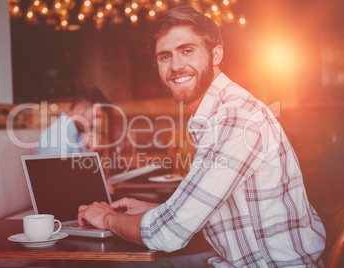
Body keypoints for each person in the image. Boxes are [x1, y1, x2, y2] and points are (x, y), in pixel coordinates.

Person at [77, 6, 326, 267]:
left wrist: (106, 218)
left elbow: (168, 234)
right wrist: (154, 209)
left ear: (216, 53)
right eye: (165, 56)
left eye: (187, 50)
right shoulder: (219, 111)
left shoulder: (235, 118)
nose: (175, 66)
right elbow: (208, 207)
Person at [36, 87, 108, 155]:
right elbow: (53, 168)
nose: (97, 124)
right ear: (79, 109)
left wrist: (88, 153)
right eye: (95, 116)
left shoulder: (76, 136)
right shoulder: (59, 136)